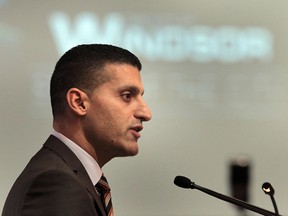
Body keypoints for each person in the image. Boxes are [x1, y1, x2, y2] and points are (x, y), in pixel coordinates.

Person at [2, 44, 152, 216]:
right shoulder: (56, 184)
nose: (146, 113)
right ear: (79, 103)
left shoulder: (70, 177)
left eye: (141, 96)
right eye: (127, 96)